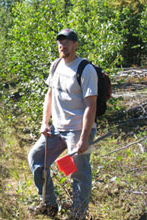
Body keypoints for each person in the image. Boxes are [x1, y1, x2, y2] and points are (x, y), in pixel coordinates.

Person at [28, 28, 98, 219]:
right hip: (57, 129)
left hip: (78, 130)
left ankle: (78, 214)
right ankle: (49, 204)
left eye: (67, 42)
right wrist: (45, 122)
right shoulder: (56, 64)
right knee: (36, 159)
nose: (62, 45)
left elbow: (91, 106)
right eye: (60, 42)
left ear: (75, 45)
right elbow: (49, 94)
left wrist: (84, 139)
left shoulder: (86, 69)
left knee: (79, 174)